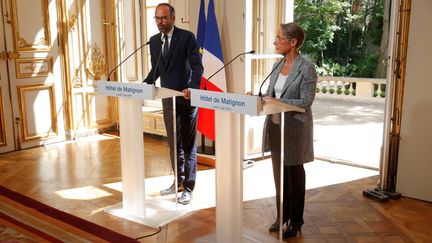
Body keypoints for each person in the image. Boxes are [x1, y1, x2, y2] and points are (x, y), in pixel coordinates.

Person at [143, 3, 203, 205]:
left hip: (187, 99)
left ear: (173, 18)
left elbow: (197, 66)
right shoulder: (153, 41)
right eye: (157, 18)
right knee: (173, 144)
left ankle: (188, 187)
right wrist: (144, 85)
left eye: (164, 18)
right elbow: (157, 69)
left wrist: (193, 87)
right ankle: (178, 180)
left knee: (187, 145)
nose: (160, 22)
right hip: (168, 100)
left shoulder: (186, 37)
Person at [262, 22, 317, 238]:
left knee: (294, 177)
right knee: (279, 176)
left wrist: (277, 100)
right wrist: (258, 98)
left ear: (292, 42)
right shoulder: (277, 66)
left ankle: (296, 220)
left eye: (278, 38)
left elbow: (305, 101)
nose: (275, 42)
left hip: (294, 130)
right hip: (276, 127)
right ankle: (281, 215)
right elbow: (269, 94)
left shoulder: (307, 68)